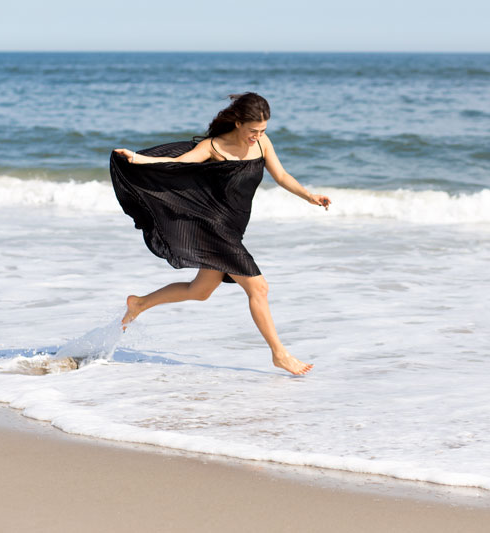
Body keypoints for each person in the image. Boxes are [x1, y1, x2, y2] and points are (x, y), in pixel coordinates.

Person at [111, 93, 331, 375]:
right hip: (212, 227)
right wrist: (139, 160)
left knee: (199, 291)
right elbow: (180, 163)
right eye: (253, 130)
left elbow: (282, 176)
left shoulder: (262, 143)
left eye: (263, 130)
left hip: (233, 226)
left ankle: (139, 303)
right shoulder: (213, 146)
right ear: (238, 123)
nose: (258, 135)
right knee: (259, 287)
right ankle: (279, 354)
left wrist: (309, 196)